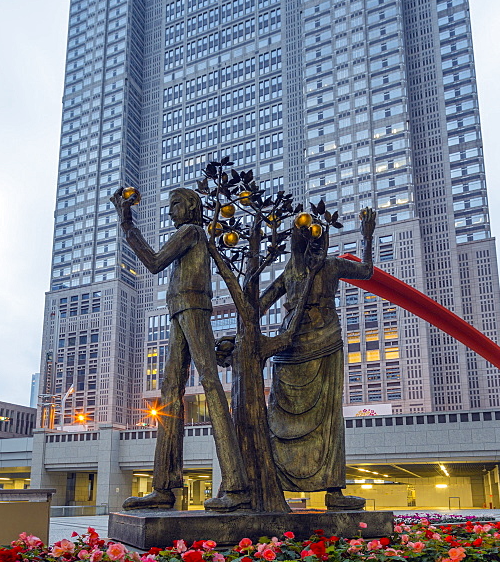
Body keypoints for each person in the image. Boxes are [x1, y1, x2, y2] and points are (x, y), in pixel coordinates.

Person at [111, 186, 250, 512]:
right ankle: (164, 487)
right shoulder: (191, 234)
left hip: (192, 308)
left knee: (211, 385)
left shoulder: (191, 231)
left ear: (190, 207)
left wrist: (126, 221)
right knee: (169, 394)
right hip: (179, 311)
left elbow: (156, 261)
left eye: (175, 204)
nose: (171, 212)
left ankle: (237, 485)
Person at [260, 208, 375, 509]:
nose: (312, 243)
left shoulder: (333, 266)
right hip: (290, 346)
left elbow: (366, 272)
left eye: (316, 237)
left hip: (325, 340)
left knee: (329, 419)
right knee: (279, 417)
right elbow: (259, 304)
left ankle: (334, 491)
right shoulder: (291, 271)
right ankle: (277, 488)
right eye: (304, 236)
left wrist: (367, 237)